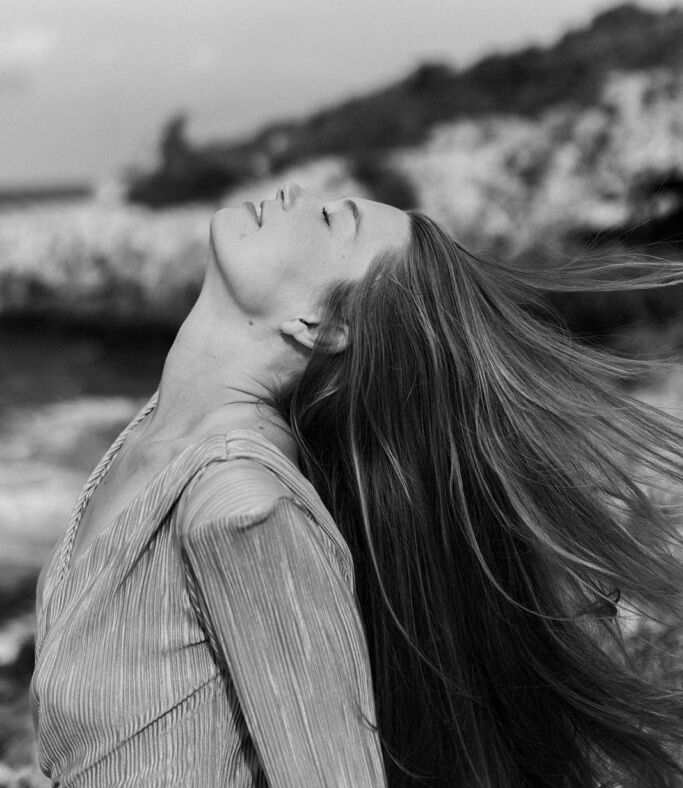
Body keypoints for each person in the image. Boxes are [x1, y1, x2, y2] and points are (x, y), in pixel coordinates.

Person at [31, 180, 683, 788]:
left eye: (326, 218)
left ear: (320, 327)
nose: (293, 191)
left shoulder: (243, 505)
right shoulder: (147, 437)